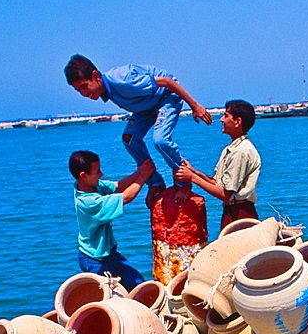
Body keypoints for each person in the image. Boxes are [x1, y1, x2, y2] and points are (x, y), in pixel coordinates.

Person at [64, 54, 213, 205]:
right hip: (146, 108)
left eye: (84, 86)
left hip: (166, 97)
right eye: (78, 90)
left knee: (160, 140)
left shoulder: (122, 80)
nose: (83, 94)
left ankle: (183, 182)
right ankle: (155, 183)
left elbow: (168, 82)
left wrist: (195, 106)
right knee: (129, 139)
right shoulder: (107, 91)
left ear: (96, 76)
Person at [69, 150, 154, 290]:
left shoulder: (92, 186)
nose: (101, 174)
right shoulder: (88, 202)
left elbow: (118, 186)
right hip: (95, 260)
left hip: (110, 254)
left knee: (139, 285)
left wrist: (139, 172)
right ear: (83, 175)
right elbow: (125, 197)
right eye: (97, 171)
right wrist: (143, 177)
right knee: (111, 294)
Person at [173, 99, 260, 229]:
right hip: (233, 212)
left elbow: (225, 195)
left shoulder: (240, 151)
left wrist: (193, 178)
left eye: (226, 116)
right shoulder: (231, 149)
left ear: (238, 122)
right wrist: (194, 171)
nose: (221, 119)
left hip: (240, 214)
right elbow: (217, 183)